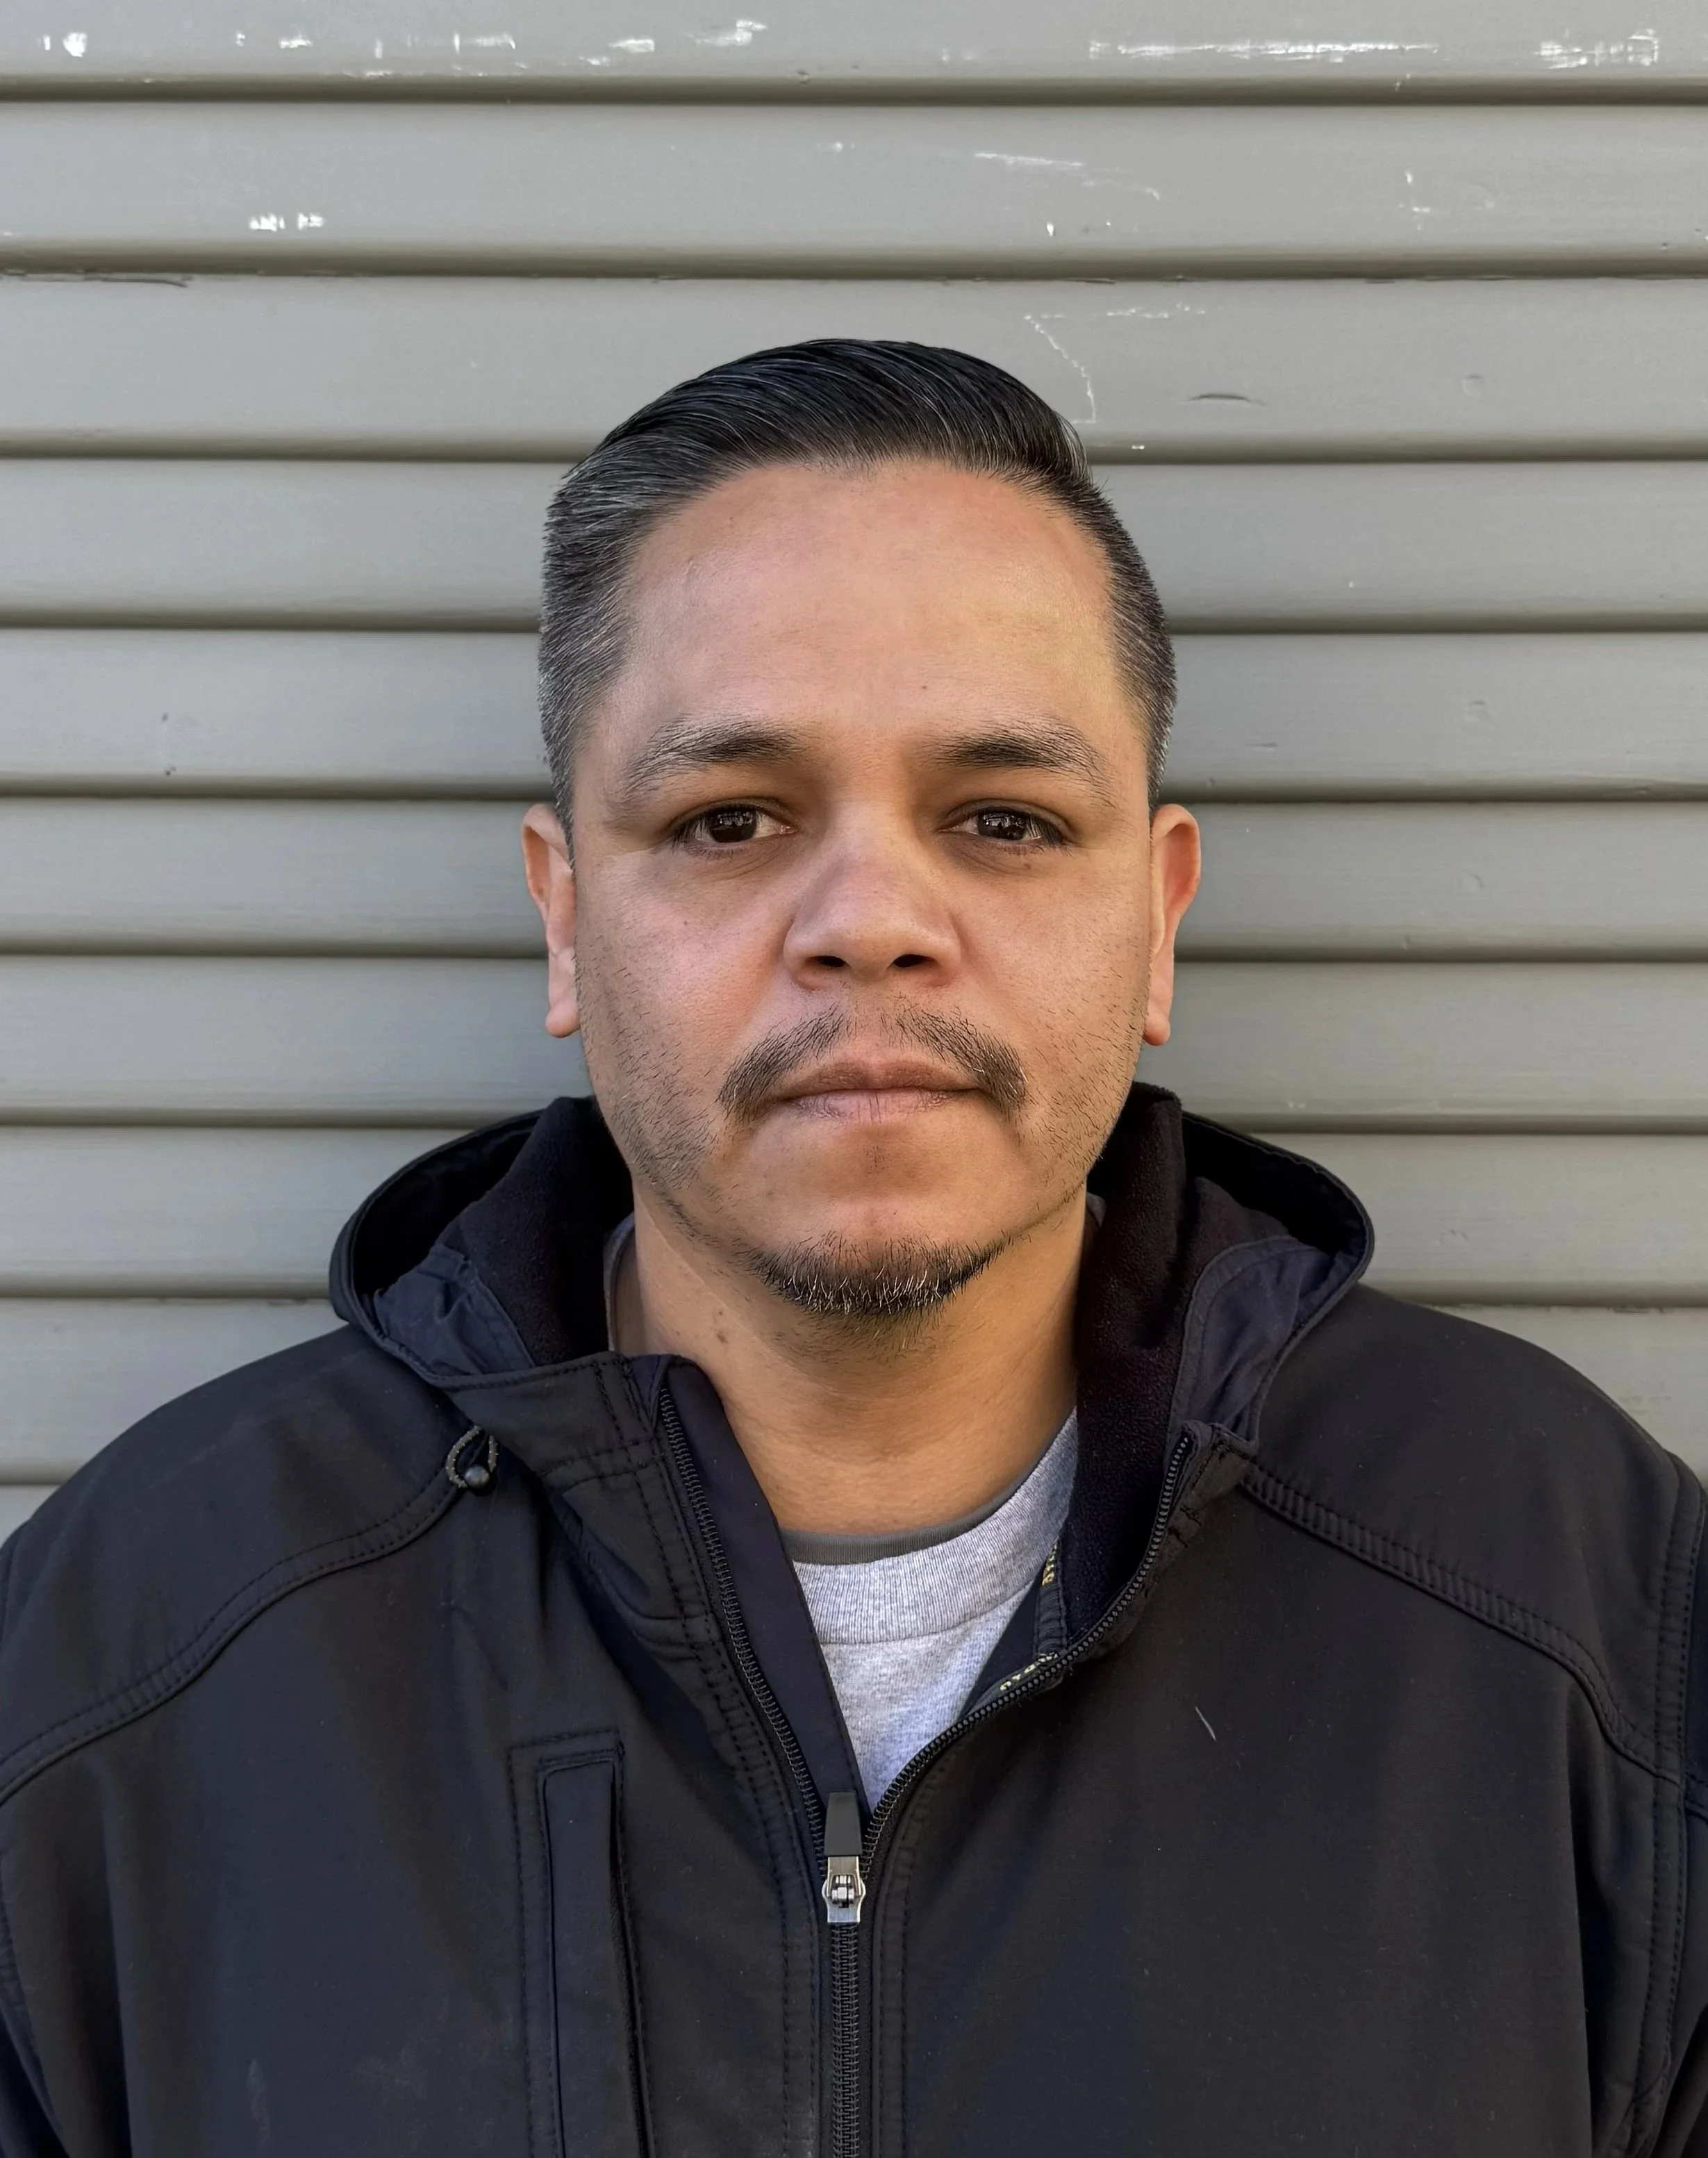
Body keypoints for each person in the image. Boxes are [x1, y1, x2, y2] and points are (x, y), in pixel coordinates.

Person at [0, 340, 1702, 2158]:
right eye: (730, 820)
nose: (873, 921)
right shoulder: (138, 1652)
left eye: (1003, 820)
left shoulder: (1580, 1607)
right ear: (566, 919)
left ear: (1155, 920)